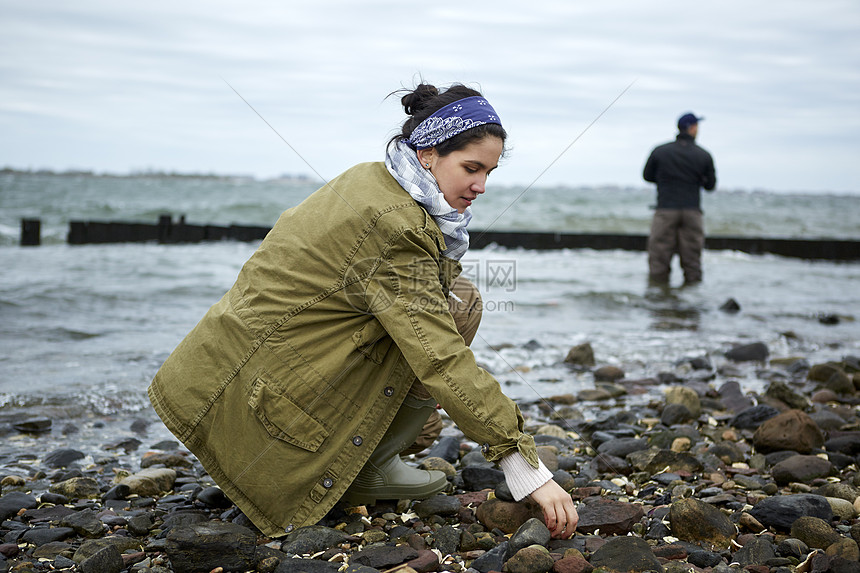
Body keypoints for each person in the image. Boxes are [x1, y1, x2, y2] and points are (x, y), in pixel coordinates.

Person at [148, 83, 578, 539]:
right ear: (429, 152)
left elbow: (432, 300)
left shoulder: (374, 176)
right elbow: (438, 353)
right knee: (437, 320)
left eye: (489, 172)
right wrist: (521, 462)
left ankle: (377, 456)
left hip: (213, 376)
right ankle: (365, 467)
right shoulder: (397, 226)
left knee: (460, 299)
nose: (481, 186)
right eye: (471, 168)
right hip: (260, 405)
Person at [643, 112, 717, 285]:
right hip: (692, 210)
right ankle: (691, 299)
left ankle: (658, 296)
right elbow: (710, 186)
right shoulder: (703, 155)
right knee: (692, 259)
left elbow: (647, 176)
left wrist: (664, 180)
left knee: (659, 257)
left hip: (665, 209)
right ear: (692, 128)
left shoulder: (660, 151)